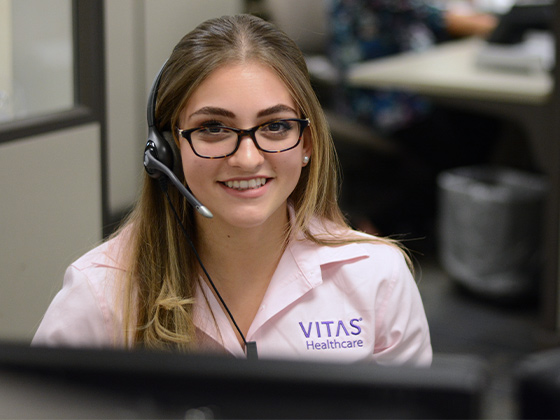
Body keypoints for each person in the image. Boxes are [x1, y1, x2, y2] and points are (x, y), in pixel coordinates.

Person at [32, 14, 432, 366]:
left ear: (307, 143)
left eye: (275, 126)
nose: (247, 158)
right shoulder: (101, 292)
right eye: (213, 128)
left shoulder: (376, 276)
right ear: (168, 150)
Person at [328, 0, 502, 246]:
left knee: (480, 122)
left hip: (412, 86)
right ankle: (380, 224)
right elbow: (438, 16)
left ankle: (439, 222)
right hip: (378, 96)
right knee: (454, 144)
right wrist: (498, 24)